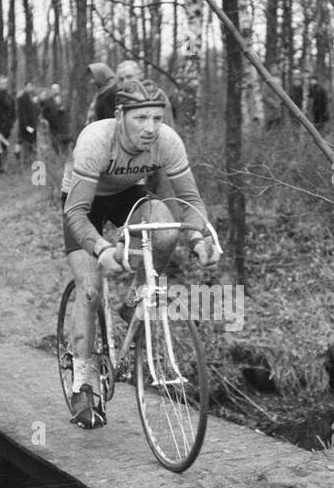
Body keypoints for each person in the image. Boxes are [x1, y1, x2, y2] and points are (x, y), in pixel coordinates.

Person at [60, 80, 222, 428]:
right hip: (83, 202)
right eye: (141, 118)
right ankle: (83, 382)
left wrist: (197, 239)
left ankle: (135, 299)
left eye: (157, 117)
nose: (150, 127)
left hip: (128, 194)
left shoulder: (167, 141)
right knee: (89, 289)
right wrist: (101, 248)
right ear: (120, 116)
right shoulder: (96, 139)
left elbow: (190, 203)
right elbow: (75, 213)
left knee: (163, 223)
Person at [0, 75, 14, 171]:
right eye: (2, 83)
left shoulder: (8, 95)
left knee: (4, 146)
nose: (4, 85)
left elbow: (12, 108)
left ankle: (1, 165)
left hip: (7, 124)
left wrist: (12, 121)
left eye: (5, 83)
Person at [16, 80, 39, 165]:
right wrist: (26, 126)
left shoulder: (31, 98)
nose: (30, 88)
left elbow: (34, 113)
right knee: (25, 145)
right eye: (28, 86)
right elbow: (22, 114)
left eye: (31, 86)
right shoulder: (21, 98)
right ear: (25, 87)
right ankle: (24, 163)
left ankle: (29, 163)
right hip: (26, 127)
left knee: (31, 146)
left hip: (32, 126)